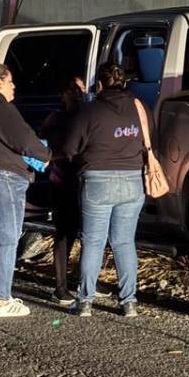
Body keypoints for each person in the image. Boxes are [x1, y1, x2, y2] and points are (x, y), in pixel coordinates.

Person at [63, 62, 148, 318]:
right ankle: (129, 302)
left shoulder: (89, 111)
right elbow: (148, 139)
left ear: (99, 84)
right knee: (124, 242)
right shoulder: (138, 108)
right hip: (133, 181)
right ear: (123, 83)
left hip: (97, 181)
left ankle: (85, 301)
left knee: (94, 242)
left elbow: (70, 148)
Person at [0, 59, 52, 318]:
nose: (14, 87)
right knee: (8, 240)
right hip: (4, 180)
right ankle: (4, 300)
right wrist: (46, 154)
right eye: (11, 81)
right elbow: (25, 139)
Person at [38, 75, 87, 306]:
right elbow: (40, 147)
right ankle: (60, 286)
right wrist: (57, 157)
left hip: (85, 181)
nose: (77, 92)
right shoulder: (56, 118)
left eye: (80, 87)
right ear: (63, 94)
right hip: (62, 182)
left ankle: (83, 281)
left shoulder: (88, 115)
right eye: (71, 88)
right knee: (65, 233)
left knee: (87, 234)